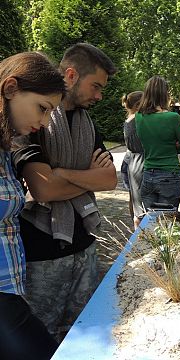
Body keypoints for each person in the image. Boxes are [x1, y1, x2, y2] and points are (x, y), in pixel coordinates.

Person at [12, 43, 117, 341]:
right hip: (41, 252)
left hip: (85, 245)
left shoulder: (87, 123)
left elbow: (109, 179)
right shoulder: (33, 119)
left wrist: (62, 173)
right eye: (95, 86)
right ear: (71, 75)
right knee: (39, 338)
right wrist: (88, 176)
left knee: (84, 334)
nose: (99, 96)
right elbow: (43, 188)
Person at [0, 52, 66, 359]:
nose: (43, 122)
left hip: (10, 289)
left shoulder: (5, 146)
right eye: (42, 108)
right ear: (10, 88)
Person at [135, 75, 180, 211]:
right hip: (169, 174)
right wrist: (172, 146)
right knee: (167, 224)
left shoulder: (139, 117)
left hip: (148, 174)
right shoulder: (172, 118)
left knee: (150, 224)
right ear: (164, 94)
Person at [122, 91, 144, 229]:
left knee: (133, 198)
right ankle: (138, 230)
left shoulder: (129, 118)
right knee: (139, 202)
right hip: (136, 163)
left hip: (129, 161)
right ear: (137, 105)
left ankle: (135, 226)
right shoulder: (138, 119)